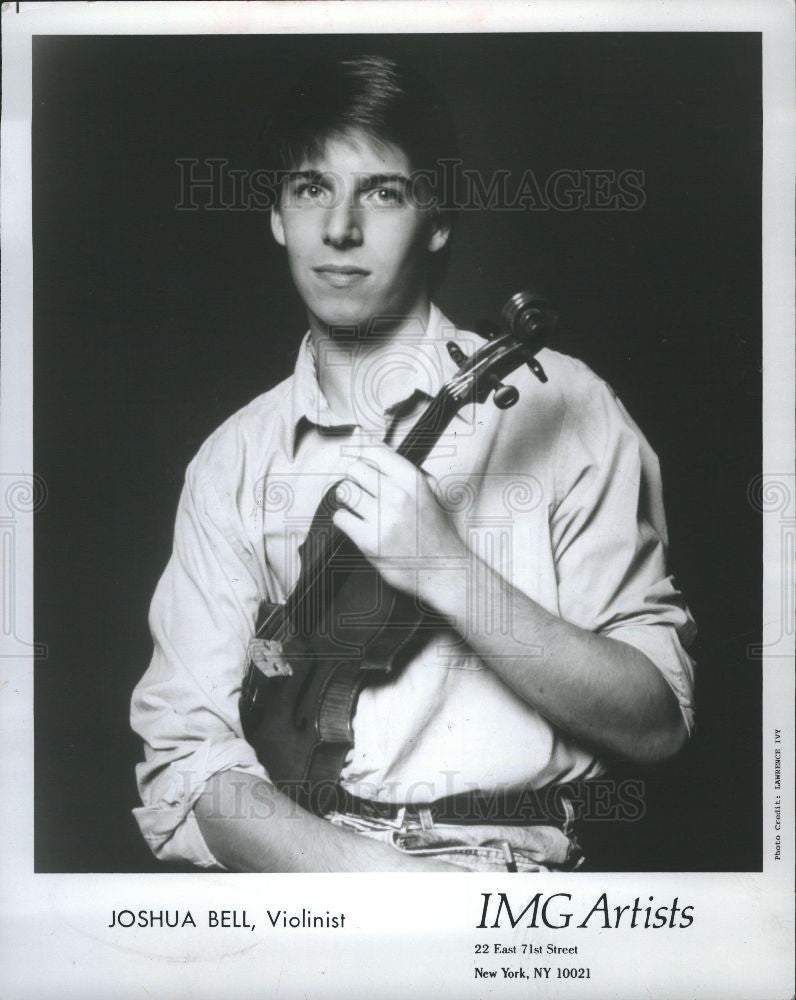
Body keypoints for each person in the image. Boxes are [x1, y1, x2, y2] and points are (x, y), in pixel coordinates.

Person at [131, 54, 696, 873]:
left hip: (515, 883)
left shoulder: (569, 407)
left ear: (437, 218)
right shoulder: (233, 459)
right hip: (313, 880)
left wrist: (446, 567)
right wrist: (394, 898)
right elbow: (190, 762)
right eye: (311, 188)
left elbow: (657, 723)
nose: (339, 229)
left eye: (383, 192)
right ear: (278, 216)